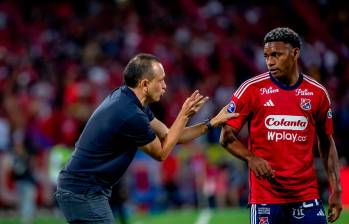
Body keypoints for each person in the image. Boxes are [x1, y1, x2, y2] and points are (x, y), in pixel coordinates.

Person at [55, 53, 238, 223]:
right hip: (82, 193)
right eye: (161, 80)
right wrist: (184, 115)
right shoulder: (130, 114)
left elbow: (169, 135)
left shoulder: (129, 100)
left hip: (86, 190)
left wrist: (212, 123)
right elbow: (162, 153)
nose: (165, 86)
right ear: (144, 84)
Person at [220, 27, 342, 223]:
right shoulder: (251, 89)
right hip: (265, 198)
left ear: (295, 53)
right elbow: (226, 137)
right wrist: (251, 158)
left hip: (306, 196)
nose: (270, 61)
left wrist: (336, 187)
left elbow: (326, 142)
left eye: (276, 55)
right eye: (267, 55)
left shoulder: (317, 93)